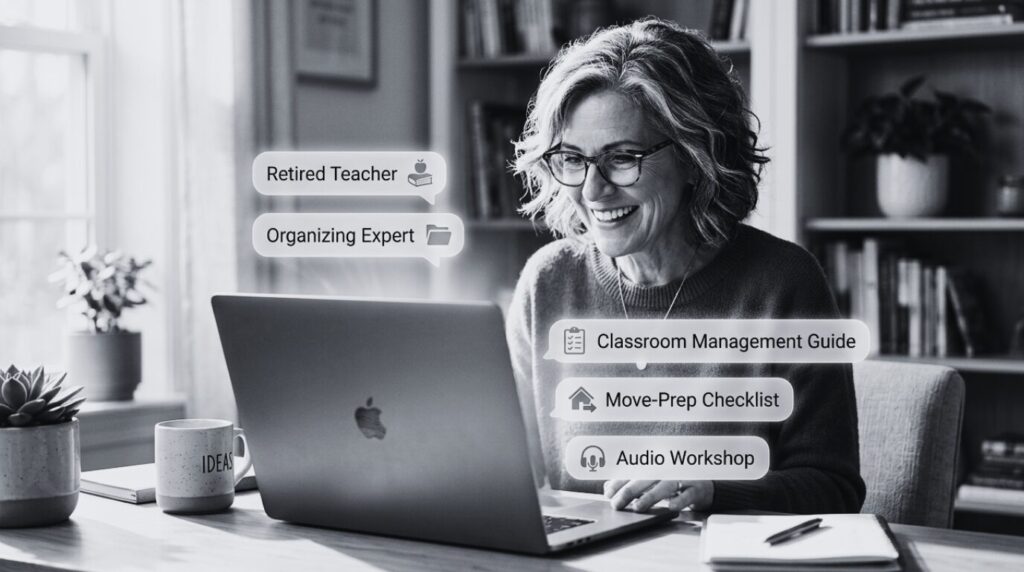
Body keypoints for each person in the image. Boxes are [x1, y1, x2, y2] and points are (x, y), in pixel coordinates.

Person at [506, 17, 865, 515]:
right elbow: (505, 472)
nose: (592, 189)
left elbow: (835, 490)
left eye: (622, 157)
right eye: (572, 158)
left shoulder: (783, 284)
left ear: (696, 158)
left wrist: (714, 490)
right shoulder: (547, 282)